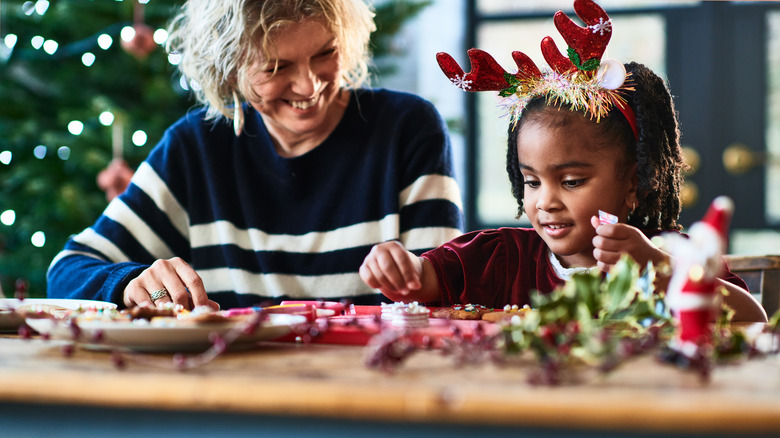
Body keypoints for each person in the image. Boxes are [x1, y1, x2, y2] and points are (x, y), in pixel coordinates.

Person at [359, 0, 767, 322]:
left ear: (634, 182)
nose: (545, 201)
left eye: (571, 181)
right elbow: (423, 281)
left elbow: (752, 318)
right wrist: (399, 270)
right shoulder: (500, 257)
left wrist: (658, 269)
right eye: (532, 182)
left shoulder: (671, 255)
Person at [47, 0, 464, 310]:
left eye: (325, 53)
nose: (309, 86)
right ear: (228, 69)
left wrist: (416, 278)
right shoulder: (196, 149)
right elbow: (67, 272)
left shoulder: (407, 129)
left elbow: (447, 293)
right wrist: (131, 282)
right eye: (276, 67)